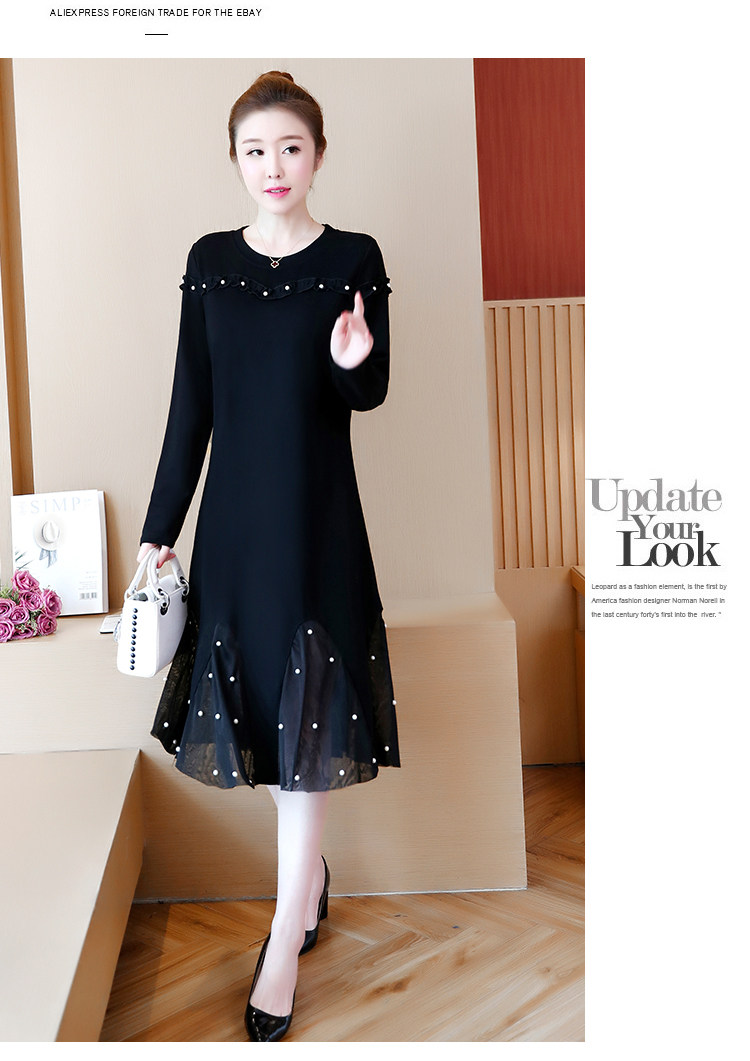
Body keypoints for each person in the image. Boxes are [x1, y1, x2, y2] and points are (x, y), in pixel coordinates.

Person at [137, 70, 401, 1042]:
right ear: (237, 161)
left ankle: (285, 934)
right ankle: (311, 882)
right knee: (266, 722)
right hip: (236, 533)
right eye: (256, 150)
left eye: (290, 146)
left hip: (319, 527)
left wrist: (351, 361)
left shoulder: (354, 258)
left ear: (317, 155)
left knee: (308, 734)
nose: (274, 164)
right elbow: (190, 408)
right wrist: (158, 530)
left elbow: (369, 390)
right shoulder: (209, 262)